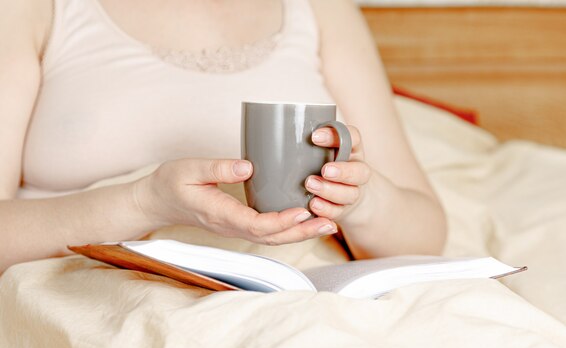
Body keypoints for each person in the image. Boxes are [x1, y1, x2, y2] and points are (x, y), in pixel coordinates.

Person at [0, 0, 447, 272]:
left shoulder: (320, 9)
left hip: (301, 304)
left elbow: (426, 236)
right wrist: (144, 202)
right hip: (100, 301)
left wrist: (358, 200)